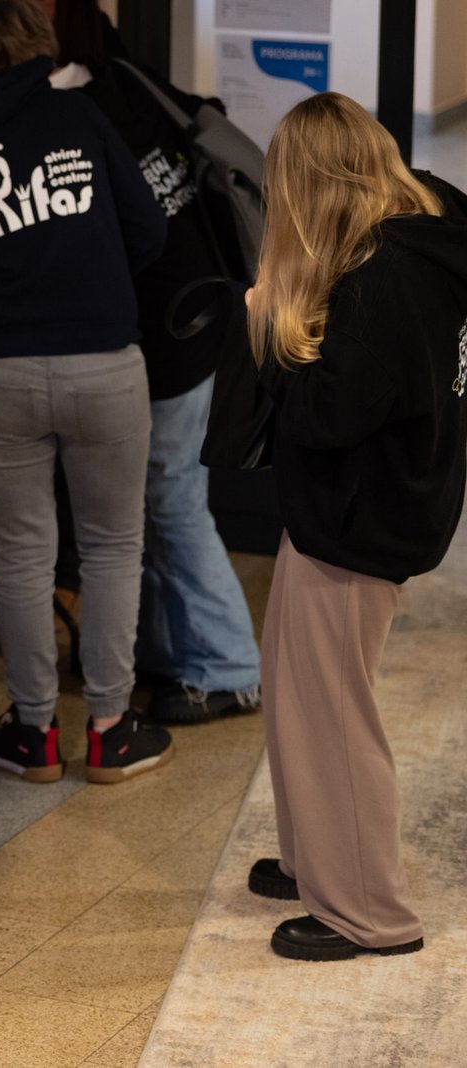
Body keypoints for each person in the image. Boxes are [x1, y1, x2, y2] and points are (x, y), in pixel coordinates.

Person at [0, 0, 173, 784]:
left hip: (3, 370)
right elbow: (149, 230)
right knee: (113, 545)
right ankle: (112, 731)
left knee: (20, 552)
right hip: (105, 363)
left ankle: (34, 735)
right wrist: (90, 278)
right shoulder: (78, 116)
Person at [244, 92, 467, 961]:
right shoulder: (432, 225)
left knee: (334, 714)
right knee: (295, 687)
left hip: (358, 520)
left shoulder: (382, 283)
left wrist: (272, 325)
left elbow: (326, 416)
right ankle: (315, 860)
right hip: (367, 507)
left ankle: (370, 912)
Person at [52, 0, 262, 724]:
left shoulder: (76, 113)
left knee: (172, 501)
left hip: (171, 334)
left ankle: (230, 667)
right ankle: (168, 651)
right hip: (202, 313)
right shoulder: (134, 83)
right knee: (156, 499)